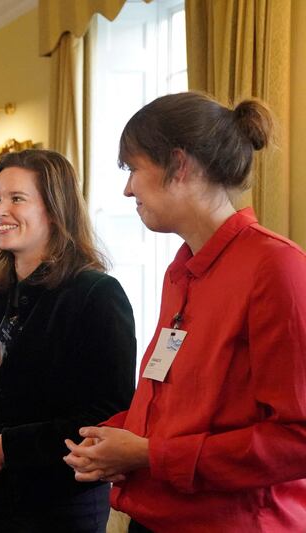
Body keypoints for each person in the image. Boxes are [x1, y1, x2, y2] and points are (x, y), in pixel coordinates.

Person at [64, 92, 306, 532]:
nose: (127, 188)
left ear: (178, 165)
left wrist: (147, 454)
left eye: (133, 169)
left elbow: (297, 438)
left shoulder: (276, 267)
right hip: (156, 515)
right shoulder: (181, 270)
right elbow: (178, 402)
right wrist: (113, 438)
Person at [0, 149, 136, 532]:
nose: (0, 212)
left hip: (58, 506)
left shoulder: (97, 294)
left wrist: (8, 448)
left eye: (17, 199)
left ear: (54, 208)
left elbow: (108, 414)